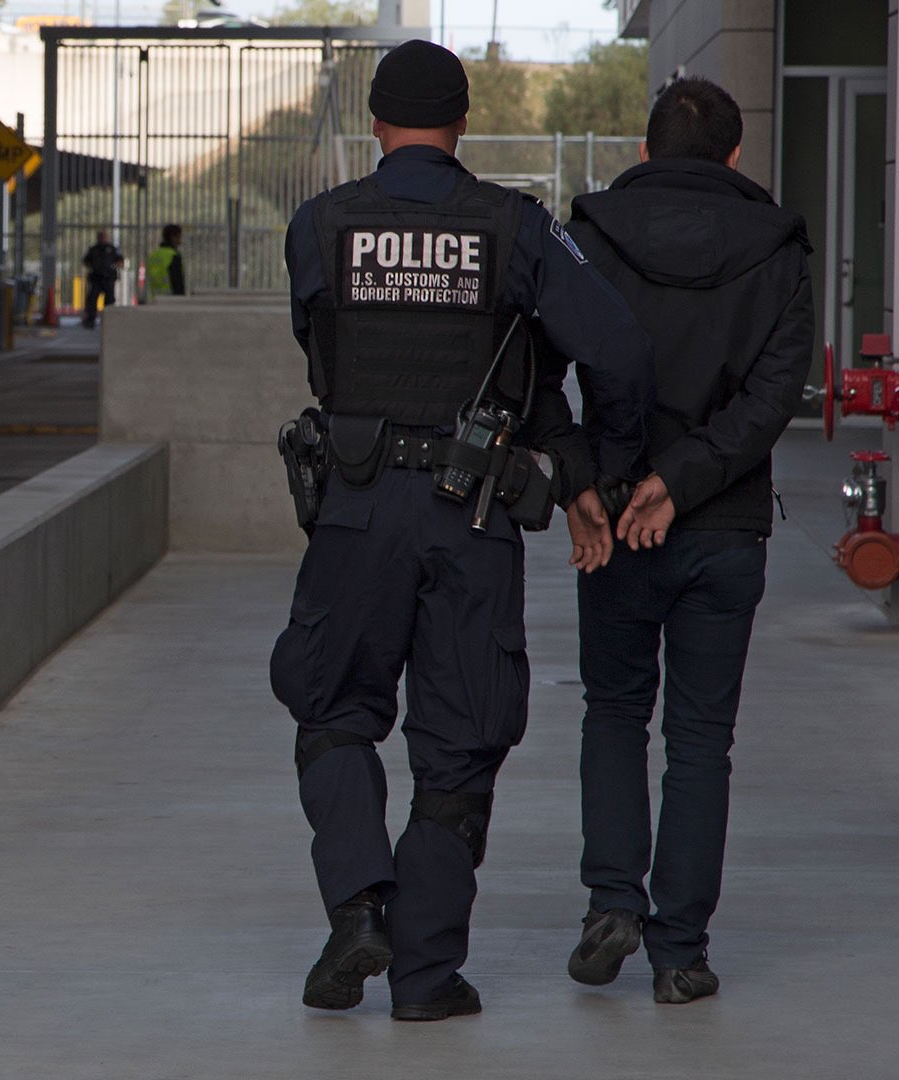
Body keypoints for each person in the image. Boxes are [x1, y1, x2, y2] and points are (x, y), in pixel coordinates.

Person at [270, 39, 652, 1022]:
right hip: (470, 508)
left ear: (375, 122)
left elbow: (322, 347)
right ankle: (426, 978)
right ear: (464, 123)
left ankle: (358, 905)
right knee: (459, 743)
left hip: (355, 508)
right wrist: (586, 473)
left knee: (333, 710)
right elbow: (613, 344)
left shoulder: (320, 225)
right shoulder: (514, 228)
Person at [561, 77, 815, 1004]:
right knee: (701, 741)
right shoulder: (781, 248)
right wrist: (690, 478)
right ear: (737, 158)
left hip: (619, 520)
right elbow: (774, 396)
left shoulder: (591, 235)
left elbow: (547, 369)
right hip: (724, 525)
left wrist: (601, 481)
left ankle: (610, 904)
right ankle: (681, 955)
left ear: (645, 151)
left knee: (615, 714)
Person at [81, 229, 123, 327]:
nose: (102, 238)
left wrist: (112, 266)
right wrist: (93, 266)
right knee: (92, 300)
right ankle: (91, 320)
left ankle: (108, 321)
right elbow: (86, 261)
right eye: (100, 236)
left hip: (108, 278)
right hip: (96, 278)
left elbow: (120, 261)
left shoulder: (112, 249)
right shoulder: (93, 249)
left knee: (109, 300)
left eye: (104, 236)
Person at [145, 224, 185, 299]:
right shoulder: (173, 256)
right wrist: (181, 299)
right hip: (170, 299)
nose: (180, 240)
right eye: (179, 237)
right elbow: (177, 281)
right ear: (172, 237)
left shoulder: (153, 255)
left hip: (152, 299)